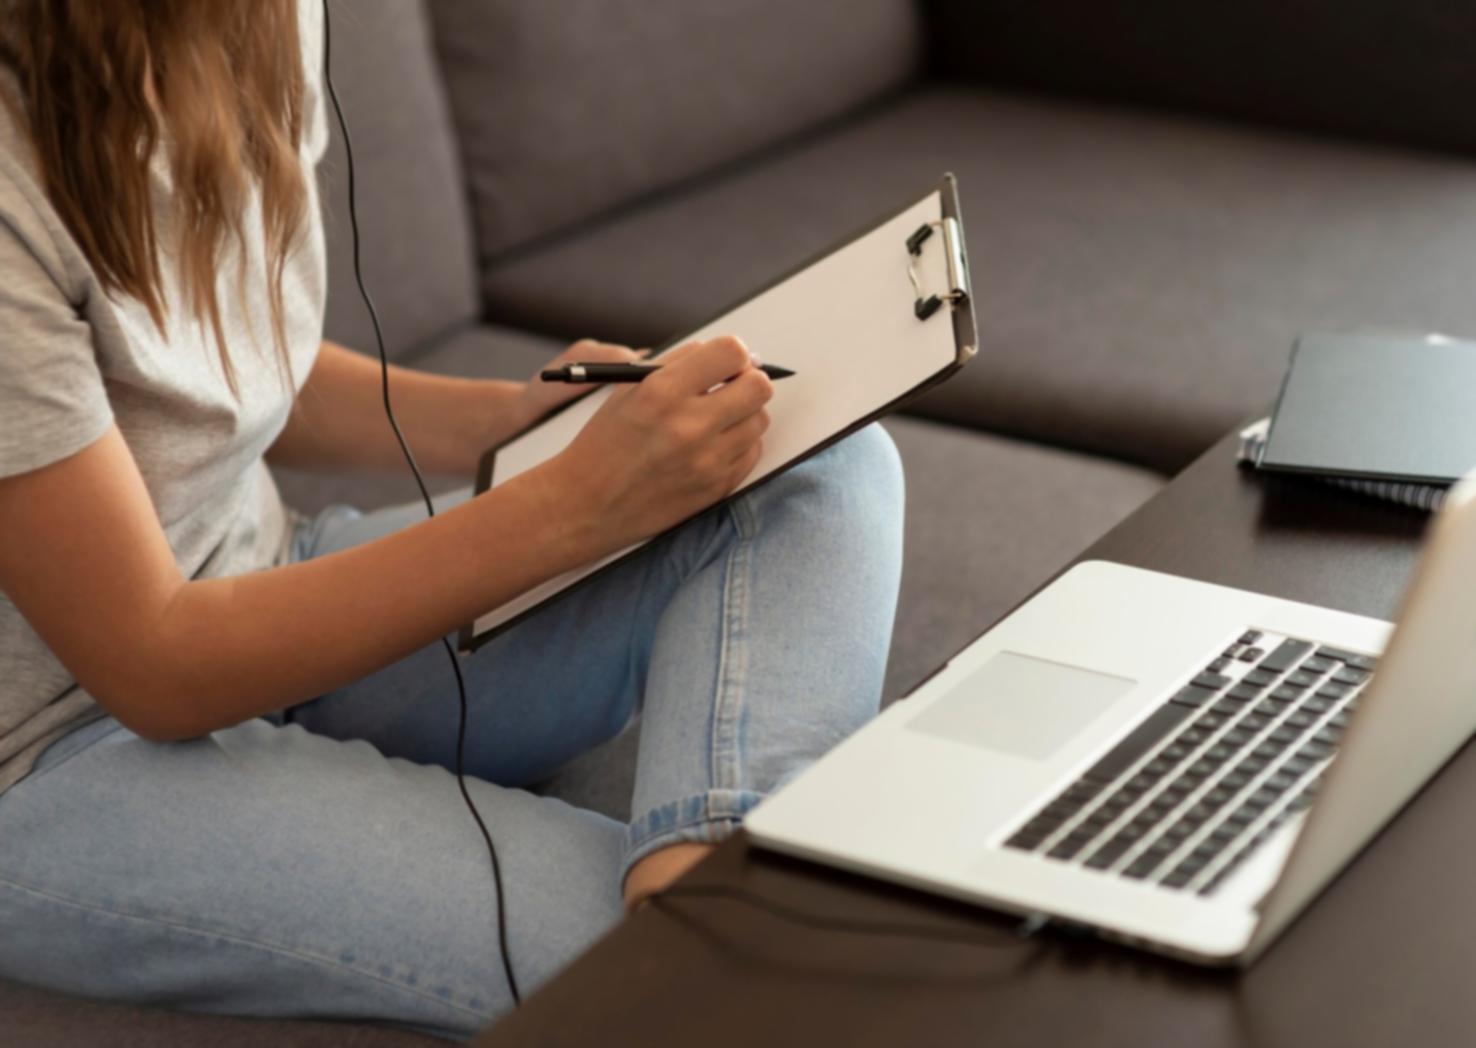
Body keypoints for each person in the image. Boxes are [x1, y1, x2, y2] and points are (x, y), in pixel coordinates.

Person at [0, 0, 903, 1039]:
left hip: (270, 579)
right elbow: (153, 665)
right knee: (648, 971)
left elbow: (214, 369)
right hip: (61, 751)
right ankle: (724, 960)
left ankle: (715, 896)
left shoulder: (261, 19)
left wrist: (513, 420)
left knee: (810, 457)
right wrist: (571, 503)